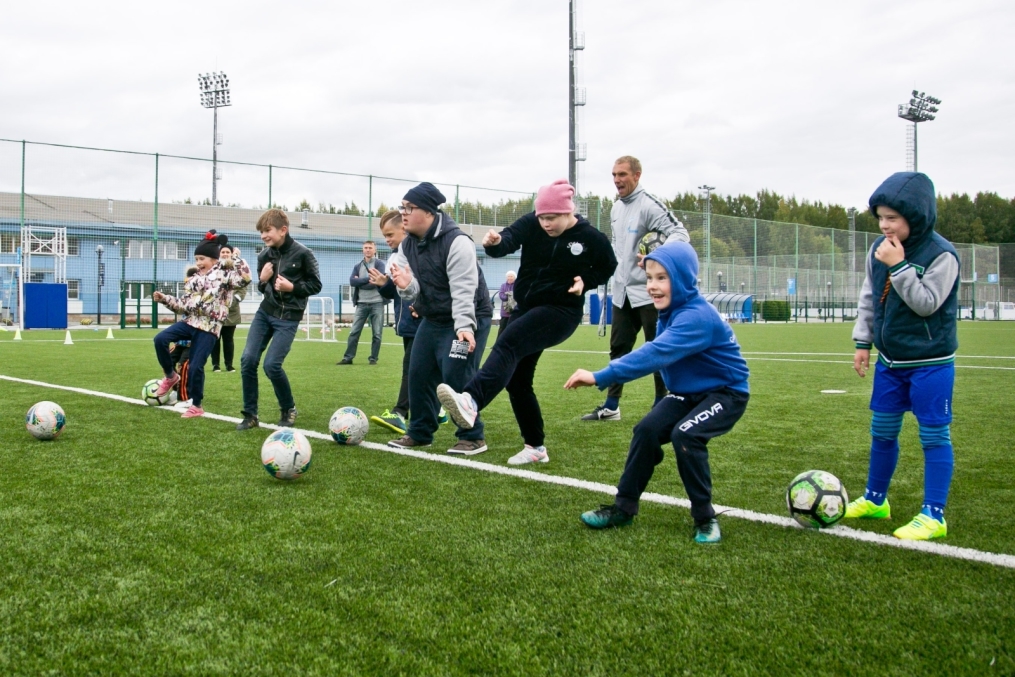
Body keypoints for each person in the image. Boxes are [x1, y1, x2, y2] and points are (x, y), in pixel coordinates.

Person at [566, 241, 749, 544]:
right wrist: (656, 262)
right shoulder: (671, 310)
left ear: (683, 279)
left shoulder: (696, 317)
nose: (652, 285)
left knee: (685, 435)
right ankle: (623, 509)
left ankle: (705, 518)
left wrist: (600, 376)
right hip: (687, 393)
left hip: (725, 393)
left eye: (662, 278)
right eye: (649, 277)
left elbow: (654, 354)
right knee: (646, 431)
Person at [438, 179, 617, 465]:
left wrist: (586, 280)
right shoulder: (532, 223)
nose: (545, 223)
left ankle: (471, 400)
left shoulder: (591, 237)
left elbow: (609, 266)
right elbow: (508, 240)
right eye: (542, 217)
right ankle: (535, 447)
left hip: (561, 311)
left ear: (568, 211)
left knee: (509, 343)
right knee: (517, 380)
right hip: (525, 308)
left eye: (552, 217)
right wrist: (495, 243)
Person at [846, 172, 959, 541]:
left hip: (931, 363)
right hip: (890, 362)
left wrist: (898, 265)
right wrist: (863, 342)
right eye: (880, 217)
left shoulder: (942, 255)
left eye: (892, 218)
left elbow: (926, 304)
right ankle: (875, 500)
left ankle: (934, 515)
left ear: (917, 215)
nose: (884, 225)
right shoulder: (878, 248)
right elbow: (869, 297)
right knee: (882, 431)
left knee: (934, 435)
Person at [386, 182, 493, 455]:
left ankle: (473, 437)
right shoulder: (407, 245)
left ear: (429, 212)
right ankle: (420, 433)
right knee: (419, 374)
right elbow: (412, 289)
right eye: (402, 207)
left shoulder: (457, 242)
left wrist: (465, 327)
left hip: (468, 317)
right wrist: (406, 286)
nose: (403, 214)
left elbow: (464, 290)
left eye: (409, 208)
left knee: (457, 375)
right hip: (433, 318)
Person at [584, 156, 689, 422]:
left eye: (622, 174)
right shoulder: (616, 208)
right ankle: (611, 407)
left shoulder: (649, 205)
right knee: (618, 349)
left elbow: (680, 233)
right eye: (614, 175)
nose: (617, 180)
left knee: (658, 350)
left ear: (637, 175)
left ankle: (662, 404)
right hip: (623, 292)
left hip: (650, 292)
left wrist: (658, 256)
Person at [151, 231, 252, 418]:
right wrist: (165, 299)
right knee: (160, 339)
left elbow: (245, 278)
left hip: (209, 327)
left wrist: (235, 259)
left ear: (214, 259)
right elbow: (183, 305)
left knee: (196, 366)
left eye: (202, 258)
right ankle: (170, 376)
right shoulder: (194, 279)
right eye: (196, 258)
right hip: (191, 322)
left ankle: (196, 405)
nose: (198, 262)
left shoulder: (225, 276)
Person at [237, 208, 322, 430]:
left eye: (267, 231)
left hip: (289, 318)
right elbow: (263, 288)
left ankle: (288, 408)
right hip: (265, 313)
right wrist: (262, 279)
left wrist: (292, 287)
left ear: (283, 230)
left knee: (272, 365)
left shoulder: (304, 254)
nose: (263, 236)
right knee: (248, 360)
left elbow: (316, 285)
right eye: (261, 232)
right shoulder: (263, 256)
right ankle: (250, 414)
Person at [368, 210, 421, 434]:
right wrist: (384, 284)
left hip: (421, 320)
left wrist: (421, 306)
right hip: (407, 323)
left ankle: (399, 413)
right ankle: (436, 409)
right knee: (418, 368)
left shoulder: (414, 253)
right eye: (384, 236)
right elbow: (397, 293)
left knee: (412, 368)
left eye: (390, 234)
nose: (387, 239)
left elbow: (424, 285)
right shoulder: (394, 256)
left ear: (404, 229)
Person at [338, 240, 388, 365]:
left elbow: (378, 281)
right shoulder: (357, 266)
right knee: (354, 332)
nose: (368, 250)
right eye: (366, 247)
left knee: (377, 333)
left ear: (375, 250)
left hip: (377, 303)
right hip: (361, 303)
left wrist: (360, 281)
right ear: (362, 250)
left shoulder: (379, 264)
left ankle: (373, 359)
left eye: (370, 247)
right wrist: (368, 280)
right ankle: (348, 358)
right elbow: (352, 282)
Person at [211, 245, 246, 373]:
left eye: (227, 252)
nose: (225, 254)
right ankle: (215, 365)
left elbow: (243, 285)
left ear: (232, 253)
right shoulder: (214, 267)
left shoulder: (237, 267)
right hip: (215, 310)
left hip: (232, 311)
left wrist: (234, 300)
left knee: (228, 339)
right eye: (223, 252)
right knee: (215, 338)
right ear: (219, 254)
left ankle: (229, 365)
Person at [497, 270, 517, 337]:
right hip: (504, 312)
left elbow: (517, 295)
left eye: (511, 276)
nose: (510, 278)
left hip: (514, 311)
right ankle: (498, 341)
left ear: (514, 277)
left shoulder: (516, 285)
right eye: (509, 276)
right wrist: (510, 296)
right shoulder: (503, 285)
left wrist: (508, 294)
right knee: (502, 329)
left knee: (513, 329)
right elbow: (501, 295)